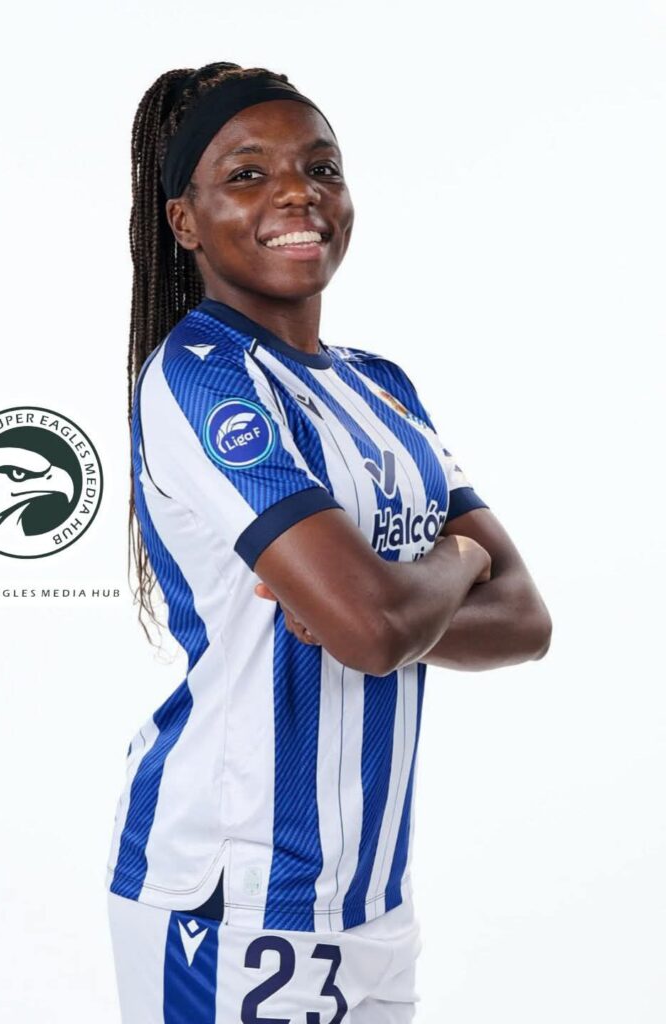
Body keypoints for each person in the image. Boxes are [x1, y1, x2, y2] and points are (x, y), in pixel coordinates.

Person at [105, 61, 552, 1024]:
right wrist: (453, 565)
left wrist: (407, 594)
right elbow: (375, 629)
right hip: (234, 898)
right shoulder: (200, 378)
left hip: (372, 900)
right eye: (248, 174)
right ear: (185, 221)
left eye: (321, 168)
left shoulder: (381, 386)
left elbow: (524, 618)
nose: (297, 193)